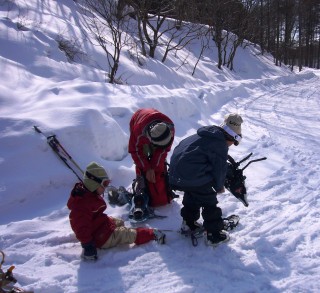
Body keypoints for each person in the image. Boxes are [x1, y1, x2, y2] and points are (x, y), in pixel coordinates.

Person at [169, 113, 243, 246]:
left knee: (193, 193)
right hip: (189, 175)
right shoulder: (220, 144)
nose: (232, 146)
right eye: (234, 143)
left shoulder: (205, 135)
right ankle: (214, 235)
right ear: (232, 137)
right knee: (208, 199)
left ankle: (189, 224)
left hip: (175, 176)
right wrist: (219, 186)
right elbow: (219, 170)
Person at [67, 162, 166, 261]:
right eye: (104, 184)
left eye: (107, 183)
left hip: (101, 225)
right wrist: (88, 245)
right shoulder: (81, 206)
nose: (106, 187)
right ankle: (152, 234)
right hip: (101, 238)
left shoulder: (88, 193)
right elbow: (80, 228)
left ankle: (117, 232)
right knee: (126, 234)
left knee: (119, 222)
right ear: (93, 183)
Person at [128, 108, 175, 207]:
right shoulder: (138, 132)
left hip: (153, 126)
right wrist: (147, 168)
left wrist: (154, 167)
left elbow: (163, 151)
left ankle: (162, 187)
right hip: (138, 120)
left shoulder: (169, 128)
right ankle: (141, 184)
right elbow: (135, 151)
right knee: (142, 159)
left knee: (158, 162)